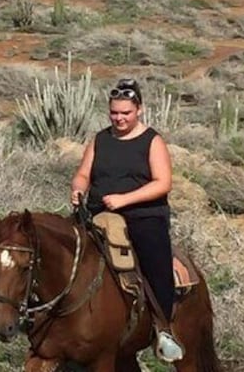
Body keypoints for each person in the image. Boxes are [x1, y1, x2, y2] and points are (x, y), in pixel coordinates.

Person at [70, 78, 184, 363]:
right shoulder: (100, 139)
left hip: (142, 215)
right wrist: (78, 188)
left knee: (154, 261)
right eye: (114, 113)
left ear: (139, 110)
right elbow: (84, 172)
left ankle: (163, 329)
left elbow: (163, 183)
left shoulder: (152, 141)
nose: (119, 119)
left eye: (126, 113)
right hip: (98, 213)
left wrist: (125, 199)